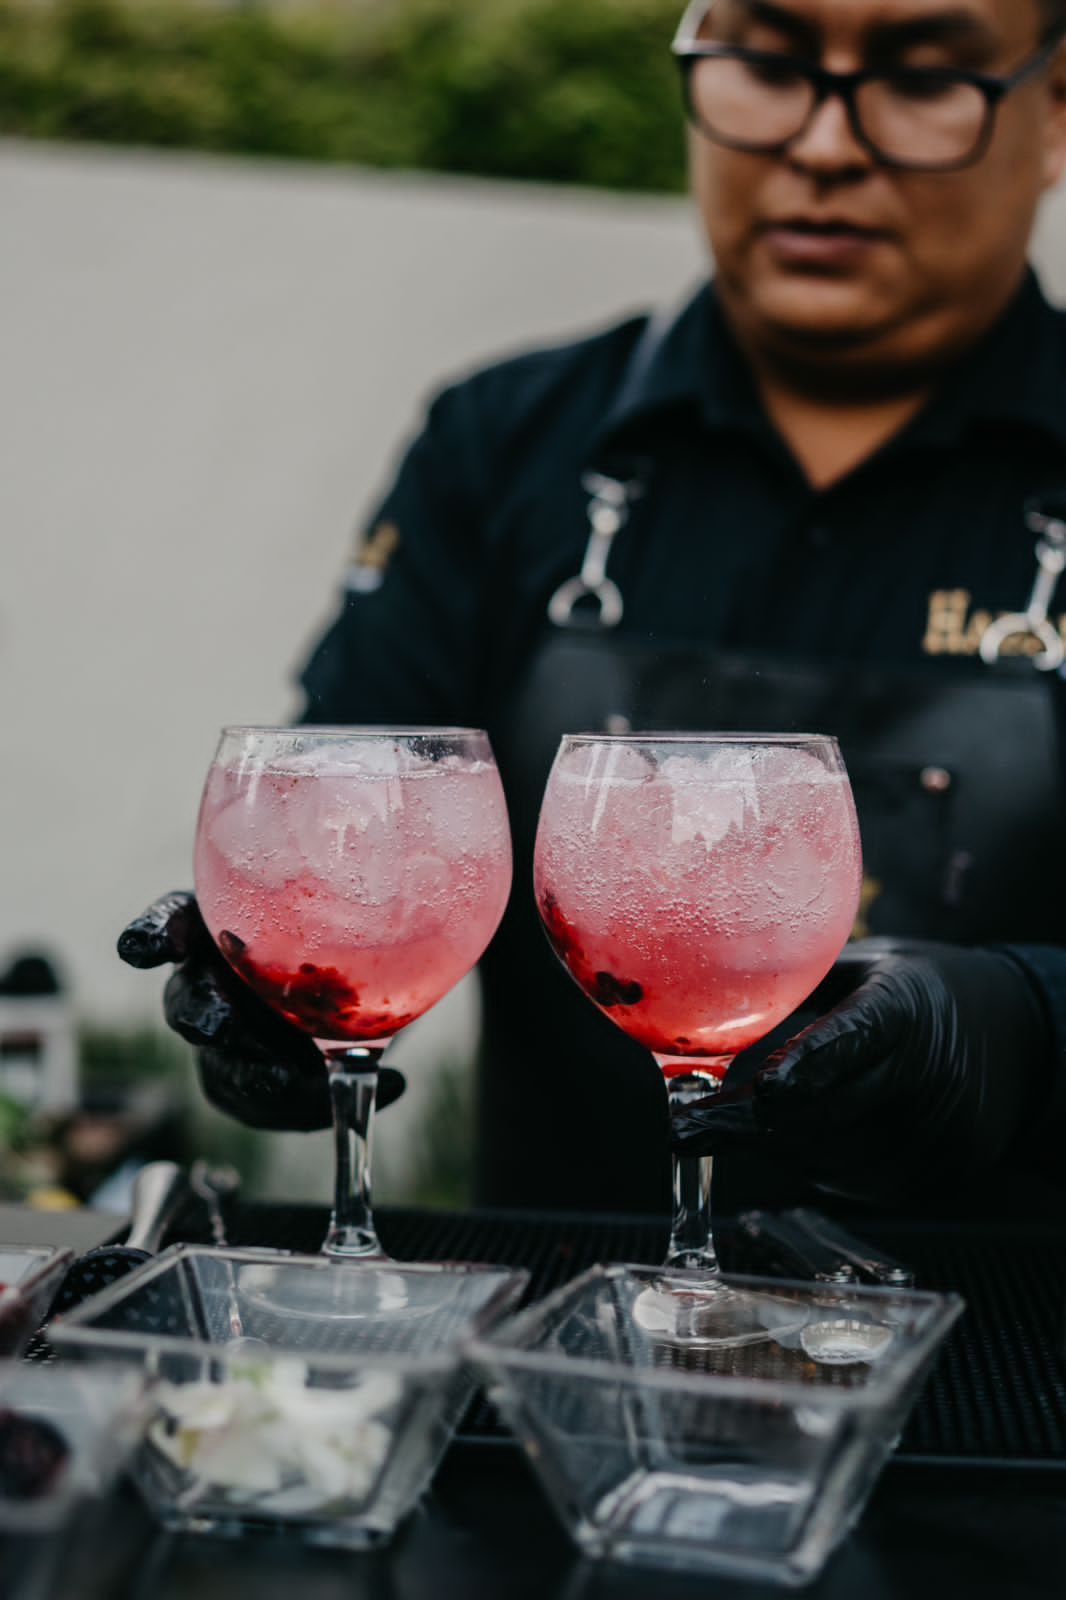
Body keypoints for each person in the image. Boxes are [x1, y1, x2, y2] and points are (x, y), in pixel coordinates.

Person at [122, 0, 1066, 1219]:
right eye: (766, 64)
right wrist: (273, 987)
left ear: (1050, 112)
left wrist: (1032, 1025)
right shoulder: (504, 446)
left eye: (924, 75)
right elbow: (356, 825)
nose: (824, 145)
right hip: (555, 1345)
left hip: (1014, 1361)